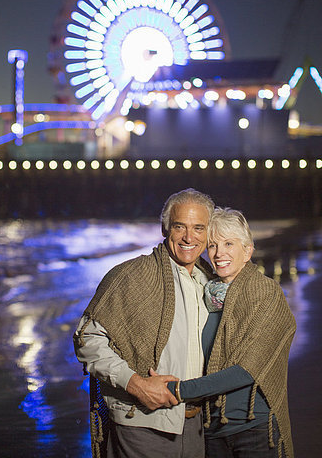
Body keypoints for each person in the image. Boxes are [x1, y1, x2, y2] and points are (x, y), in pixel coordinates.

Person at [74, 188, 215, 458]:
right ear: (165, 229)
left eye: (199, 228)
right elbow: (86, 338)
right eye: (179, 227)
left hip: (196, 426)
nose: (189, 237)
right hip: (142, 425)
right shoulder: (132, 276)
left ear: (209, 233)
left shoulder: (209, 281)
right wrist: (135, 384)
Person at [165, 207, 296, 458]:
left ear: (247, 251)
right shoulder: (204, 295)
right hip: (211, 429)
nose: (219, 253)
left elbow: (247, 369)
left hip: (255, 429)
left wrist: (177, 390)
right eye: (213, 245)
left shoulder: (266, 295)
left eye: (229, 243)